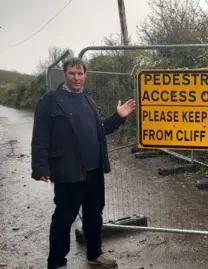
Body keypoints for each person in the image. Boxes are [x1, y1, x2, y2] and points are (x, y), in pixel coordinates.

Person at [31, 57, 136, 269]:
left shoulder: (88, 100)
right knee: (63, 219)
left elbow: (101, 129)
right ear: (64, 75)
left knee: (94, 215)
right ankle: (57, 263)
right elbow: (40, 137)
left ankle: (95, 254)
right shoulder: (50, 100)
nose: (76, 78)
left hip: (94, 171)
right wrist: (39, 167)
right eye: (72, 74)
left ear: (85, 75)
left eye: (80, 74)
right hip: (68, 171)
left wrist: (118, 116)